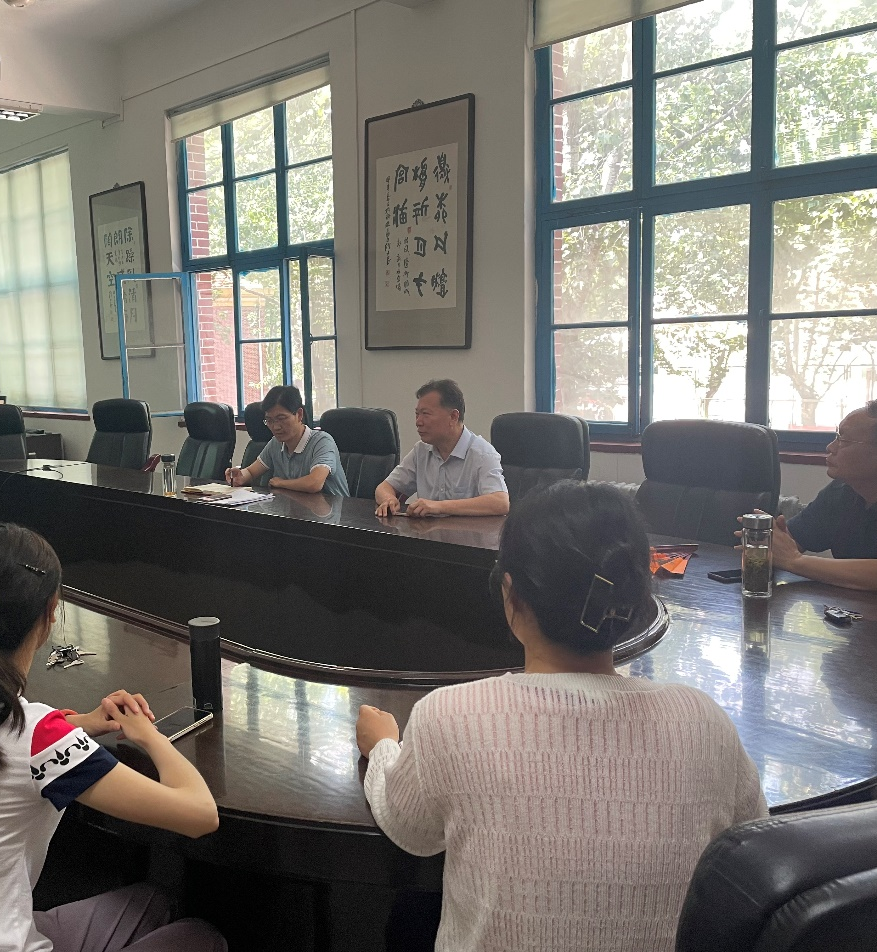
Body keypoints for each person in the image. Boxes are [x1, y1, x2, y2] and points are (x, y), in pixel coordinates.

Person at [357, 481, 765, 952]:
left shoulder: (451, 717)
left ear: (510, 594)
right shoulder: (703, 723)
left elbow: (411, 829)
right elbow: (752, 842)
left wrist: (383, 746)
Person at [0, 521, 225, 952]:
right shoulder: (37, 738)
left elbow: (4, 746)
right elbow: (200, 814)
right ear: (50, 614)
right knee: (203, 937)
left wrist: (82, 723)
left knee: (151, 901)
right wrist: (148, 734)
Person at [757, 403, 877, 591]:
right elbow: (792, 543)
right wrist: (771, 541)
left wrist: (795, 561)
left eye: (843, 440)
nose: (830, 447)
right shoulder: (841, 491)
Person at [374, 380, 509, 518]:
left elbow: (500, 502)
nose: (418, 422)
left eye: (426, 414)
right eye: (417, 414)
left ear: (453, 416)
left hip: (467, 532)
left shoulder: (482, 454)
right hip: (427, 531)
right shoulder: (421, 450)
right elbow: (384, 487)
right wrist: (388, 499)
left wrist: (439, 507)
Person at [224, 386, 350, 496]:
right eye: (270, 420)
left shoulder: (322, 442)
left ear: (299, 414)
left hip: (335, 514)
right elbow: (251, 472)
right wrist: (240, 476)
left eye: (281, 418)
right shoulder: (276, 443)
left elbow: (314, 483)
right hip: (296, 510)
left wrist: (281, 483)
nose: (275, 427)